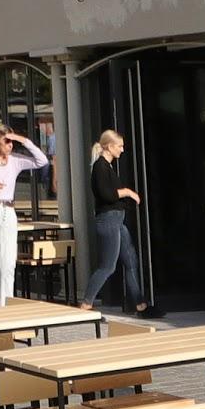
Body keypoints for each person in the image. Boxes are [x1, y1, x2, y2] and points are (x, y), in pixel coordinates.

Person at [79, 129, 162, 317]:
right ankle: (86, 304)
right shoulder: (100, 167)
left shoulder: (107, 167)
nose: (122, 150)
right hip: (108, 220)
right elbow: (106, 194)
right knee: (108, 266)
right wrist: (127, 192)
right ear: (109, 146)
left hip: (117, 220)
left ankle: (141, 305)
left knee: (130, 261)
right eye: (120, 146)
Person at [0, 126, 48, 305]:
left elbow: (42, 161)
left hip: (9, 210)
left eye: (12, 142)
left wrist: (23, 139)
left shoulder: (15, 161)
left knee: (9, 264)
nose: (10, 145)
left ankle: (5, 307)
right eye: (6, 141)